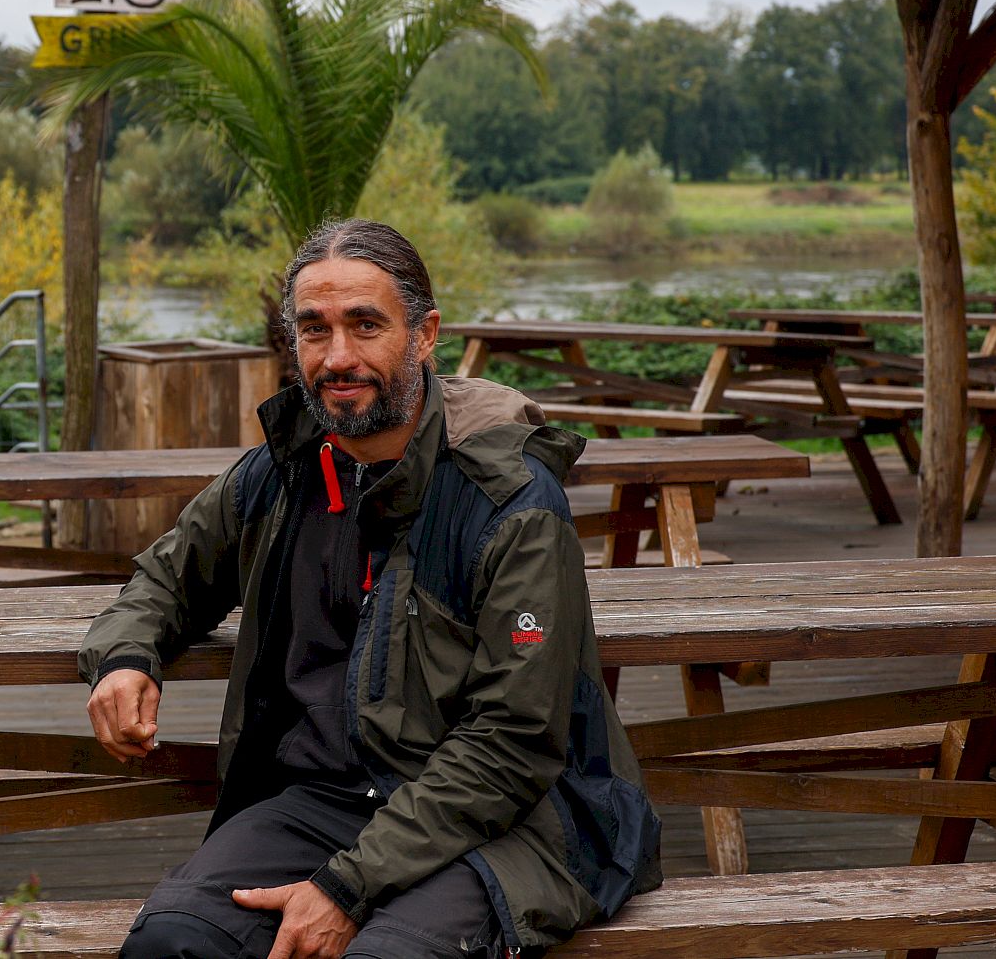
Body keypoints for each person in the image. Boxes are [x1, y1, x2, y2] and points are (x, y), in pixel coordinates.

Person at [80, 219, 661, 959]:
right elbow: (166, 573)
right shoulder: (281, 474)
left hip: (506, 821)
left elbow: (513, 743)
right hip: (322, 803)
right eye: (314, 330)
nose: (338, 356)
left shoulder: (508, 501)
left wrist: (347, 886)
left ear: (424, 335)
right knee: (172, 942)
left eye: (365, 325)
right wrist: (126, 655)